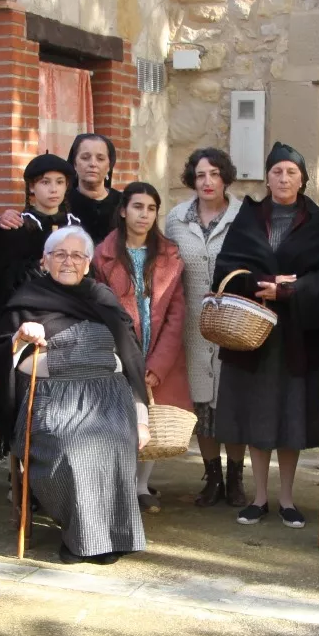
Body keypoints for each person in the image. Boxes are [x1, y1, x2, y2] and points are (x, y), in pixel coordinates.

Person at [0, 227, 149, 564]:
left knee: (116, 442)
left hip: (109, 401)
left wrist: (141, 416)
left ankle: (112, 536)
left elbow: (132, 360)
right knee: (67, 448)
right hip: (50, 402)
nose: (68, 261)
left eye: (77, 255)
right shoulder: (27, 300)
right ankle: (79, 536)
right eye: (59, 254)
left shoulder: (103, 299)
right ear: (45, 261)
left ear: (88, 263)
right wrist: (19, 338)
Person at [213, 143, 319, 528]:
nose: (284, 178)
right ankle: (259, 497)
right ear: (267, 178)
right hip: (252, 333)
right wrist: (262, 283)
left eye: (291, 172)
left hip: (296, 336)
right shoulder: (249, 216)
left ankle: (286, 498)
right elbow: (226, 268)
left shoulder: (318, 221)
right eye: (277, 172)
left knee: (289, 418)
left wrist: (289, 291)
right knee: (257, 416)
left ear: (303, 179)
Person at [92, 181, 191, 514]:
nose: (144, 215)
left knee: (154, 417)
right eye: (137, 207)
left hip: (157, 348)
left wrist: (159, 364)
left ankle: (141, 486)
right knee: (122, 416)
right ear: (123, 210)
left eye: (151, 209)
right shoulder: (103, 254)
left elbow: (176, 313)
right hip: (120, 347)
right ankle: (119, 484)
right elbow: (99, 308)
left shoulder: (169, 254)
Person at [162, 147, 247, 508]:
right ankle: (212, 477)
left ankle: (236, 478)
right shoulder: (176, 219)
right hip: (193, 326)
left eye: (214, 174)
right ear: (192, 180)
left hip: (234, 324)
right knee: (202, 404)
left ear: (225, 177)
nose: (208, 181)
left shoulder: (245, 216)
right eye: (200, 175)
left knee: (233, 402)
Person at [0, 153, 83, 317]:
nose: (54, 189)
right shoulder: (17, 227)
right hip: (29, 313)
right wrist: (36, 268)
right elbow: (2, 282)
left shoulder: (75, 227)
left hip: (70, 312)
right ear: (32, 187)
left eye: (60, 182)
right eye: (45, 182)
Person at [66, 132, 123, 243]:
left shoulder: (123, 203)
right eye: (85, 158)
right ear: (74, 164)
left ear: (109, 166)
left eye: (100, 159)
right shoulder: (62, 203)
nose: (93, 164)